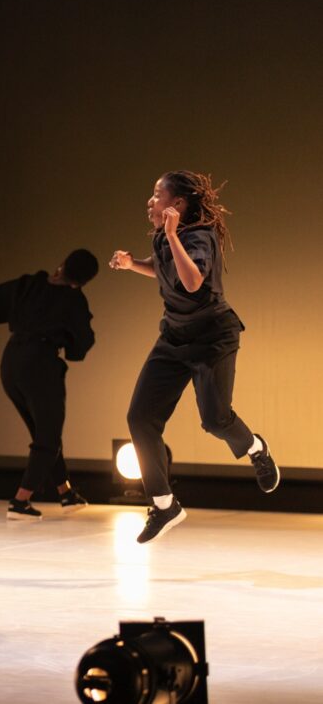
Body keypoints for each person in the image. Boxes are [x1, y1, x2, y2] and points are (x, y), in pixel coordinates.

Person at [111, 170, 278, 543]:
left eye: (158, 195)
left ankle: (255, 447)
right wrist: (131, 264)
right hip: (173, 337)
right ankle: (164, 503)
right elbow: (164, 269)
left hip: (212, 337)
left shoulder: (199, 236)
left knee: (216, 421)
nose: (150, 202)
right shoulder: (161, 238)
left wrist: (171, 235)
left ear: (178, 205)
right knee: (141, 416)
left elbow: (191, 282)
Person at [0, 250, 98, 520]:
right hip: (40, 365)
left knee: (44, 431)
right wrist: (70, 347)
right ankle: (20, 501)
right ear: (81, 281)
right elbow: (83, 342)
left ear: (61, 265)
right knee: (47, 433)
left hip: (11, 363)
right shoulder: (73, 299)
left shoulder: (31, 284)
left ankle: (66, 493)